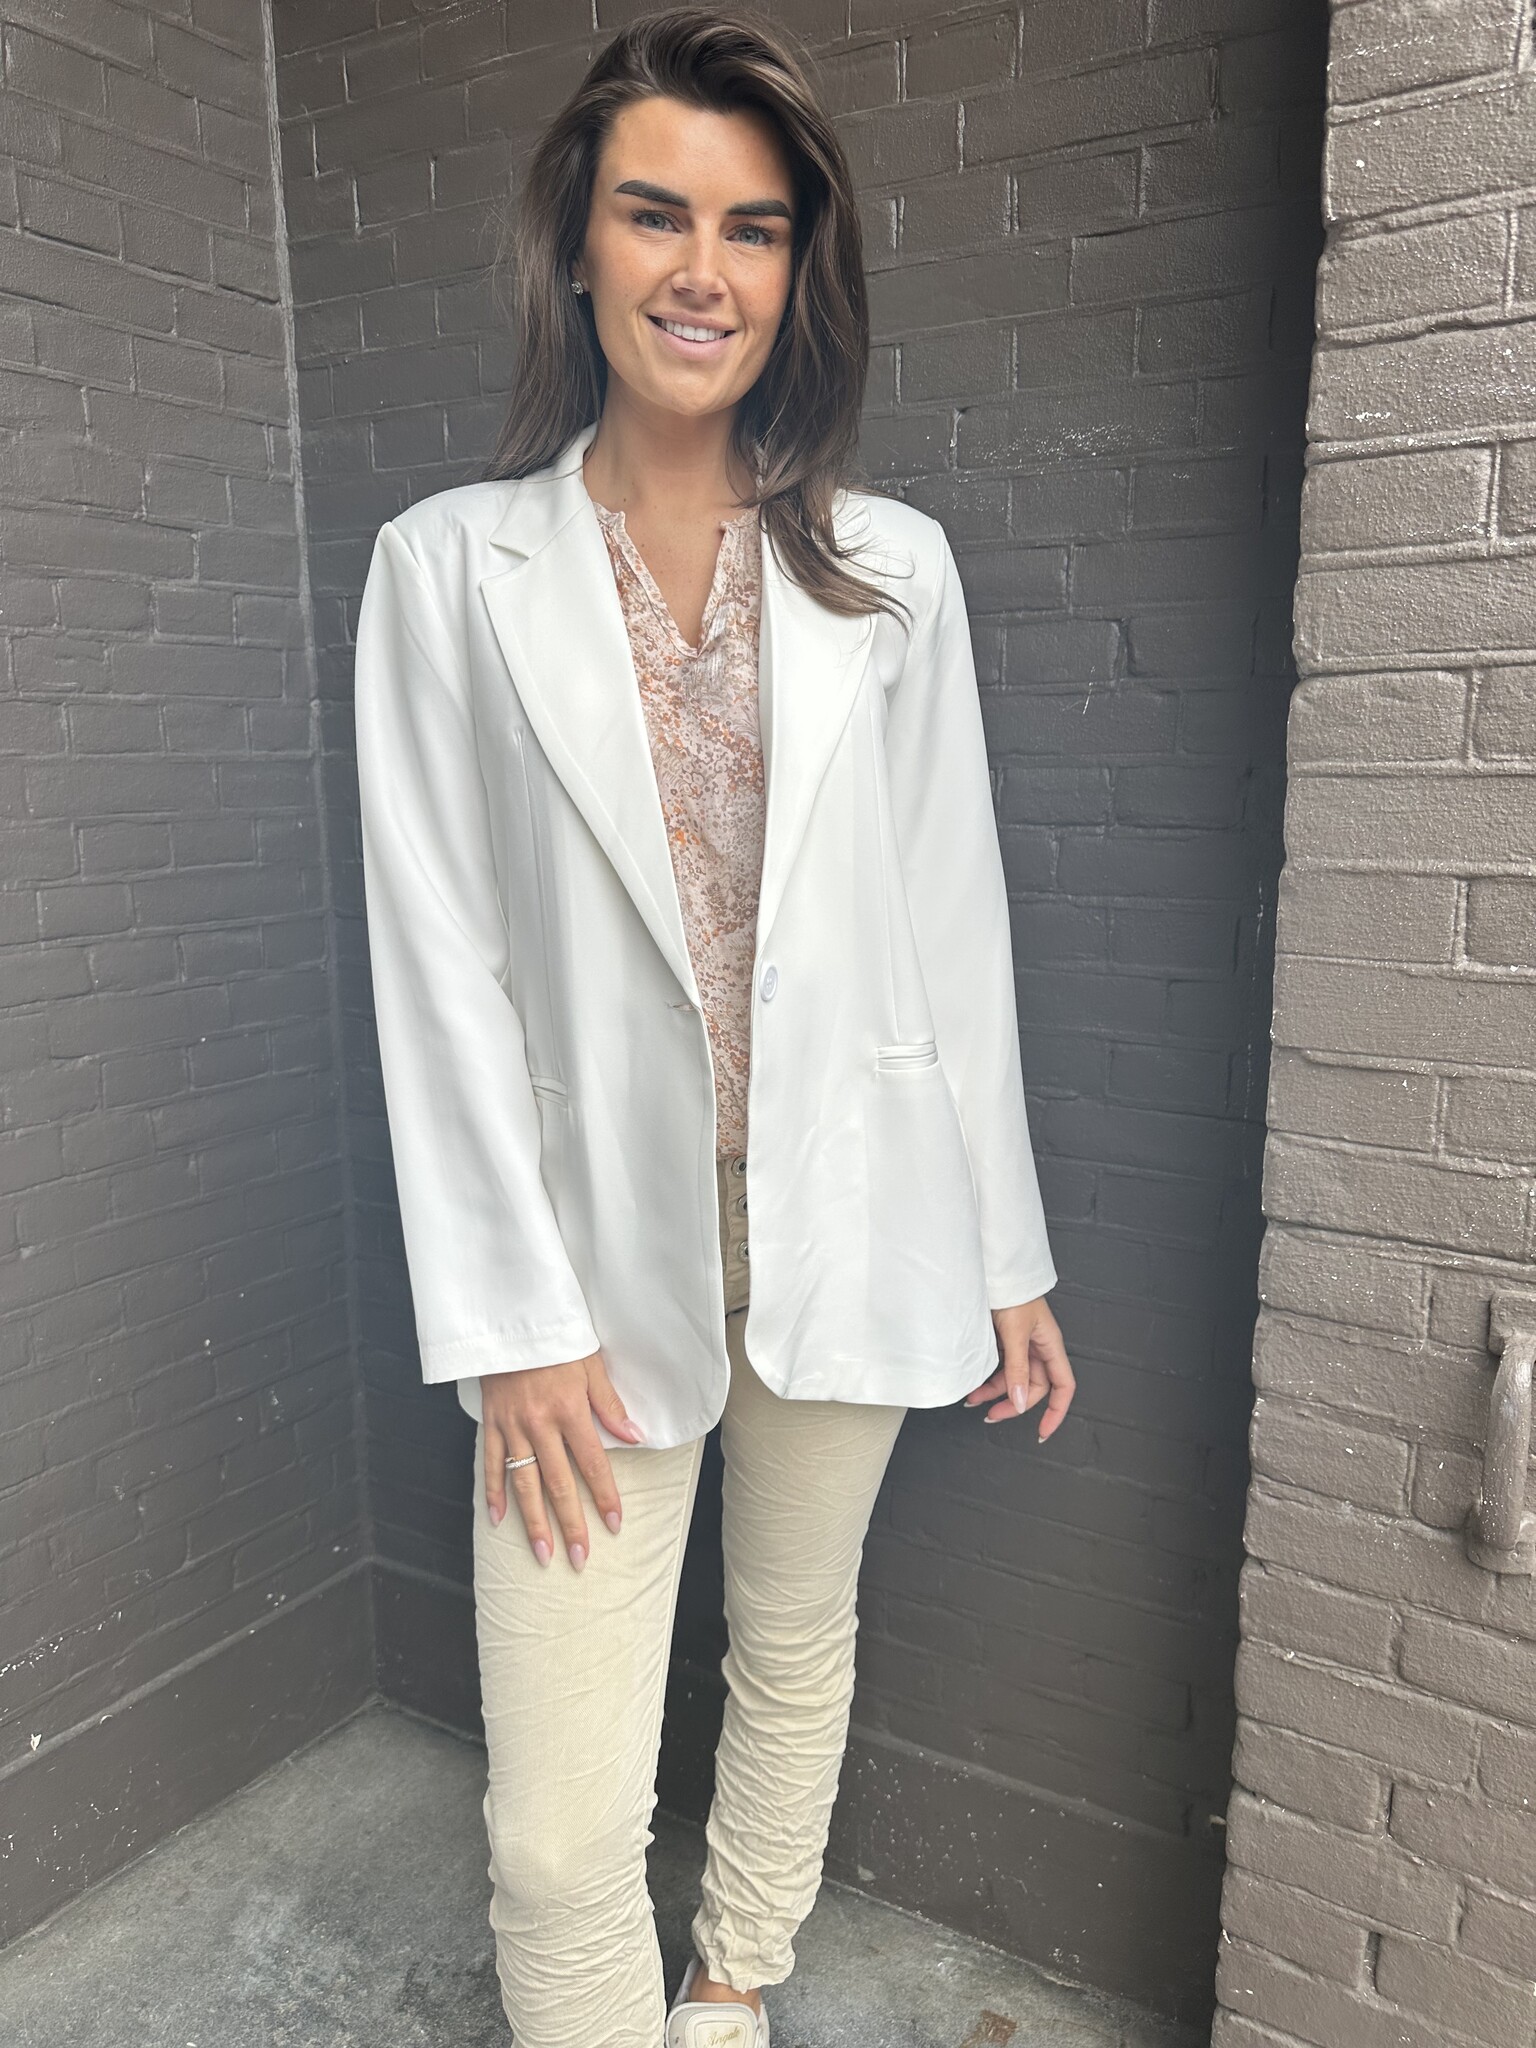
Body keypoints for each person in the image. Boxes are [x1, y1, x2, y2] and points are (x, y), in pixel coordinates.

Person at [353, 9, 1076, 2045]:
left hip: (851, 1204)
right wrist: (507, 1316)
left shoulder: (894, 572)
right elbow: (435, 958)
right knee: (555, 1832)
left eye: (754, 228)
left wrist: (1005, 1249)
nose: (704, 269)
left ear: (796, 269)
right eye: (655, 213)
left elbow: (953, 927)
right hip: (581, 1261)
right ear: (577, 245)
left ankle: (736, 1982)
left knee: (793, 1637)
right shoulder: (447, 570)